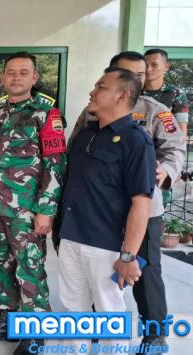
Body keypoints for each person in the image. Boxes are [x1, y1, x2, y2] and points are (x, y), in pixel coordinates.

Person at [68, 51, 185, 355]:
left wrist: (165, 171)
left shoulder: (156, 111)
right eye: (128, 72)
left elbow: (176, 149)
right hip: (99, 209)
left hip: (144, 206)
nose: (137, 78)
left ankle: (155, 331)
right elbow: (78, 147)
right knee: (99, 280)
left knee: (145, 272)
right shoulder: (92, 114)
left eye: (141, 74)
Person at [0, 51, 67, 355]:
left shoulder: (48, 115)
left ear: (34, 78)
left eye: (23, 72)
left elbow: (56, 164)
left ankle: (35, 332)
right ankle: (6, 318)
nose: (16, 77)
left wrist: (46, 210)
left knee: (30, 268)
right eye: (11, 72)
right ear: (3, 77)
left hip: (26, 210)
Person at [58, 66, 156, 354]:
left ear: (123, 95)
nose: (93, 91)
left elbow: (142, 202)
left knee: (109, 313)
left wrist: (129, 255)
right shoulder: (86, 135)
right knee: (73, 310)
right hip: (72, 236)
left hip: (107, 245)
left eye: (101, 86)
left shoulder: (136, 141)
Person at [144, 48, 189, 137]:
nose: (148, 69)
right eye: (145, 65)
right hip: (135, 145)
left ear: (166, 67)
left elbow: (181, 132)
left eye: (154, 65)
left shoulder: (177, 93)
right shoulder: (134, 91)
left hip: (164, 146)